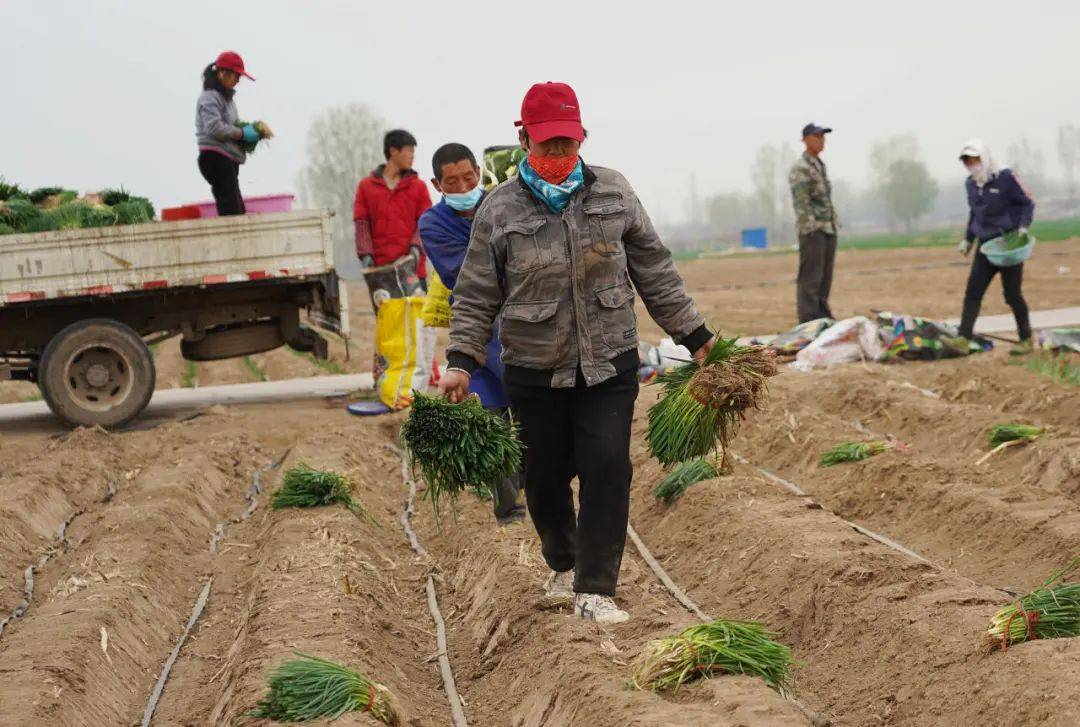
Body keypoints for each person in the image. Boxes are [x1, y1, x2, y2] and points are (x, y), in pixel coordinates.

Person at [440, 82, 713, 625]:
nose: (559, 157)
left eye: (567, 144)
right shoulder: (499, 209)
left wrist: (698, 337)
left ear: (581, 136)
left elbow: (654, 270)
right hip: (533, 369)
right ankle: (563, 562)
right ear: (524, 141)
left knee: (608, 466)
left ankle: (595, 588)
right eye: (548, 146)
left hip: (609, 362)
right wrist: (460, 363)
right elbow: (475, 294)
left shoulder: (614, 192)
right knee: (542, 477)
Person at [419, 143, 526, 525]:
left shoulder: (503, 202)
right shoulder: (433, 224)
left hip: (523, 328)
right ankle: (509, 513)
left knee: (532, 421)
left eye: (469, 177)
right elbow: (459, 274)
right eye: (453, 181)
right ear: (437, 184)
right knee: (493, 423)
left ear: (479, 172)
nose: (464, 184)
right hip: (478, 331)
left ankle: (533, 485)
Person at [956, 140, 1035, 353]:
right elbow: (975, 213)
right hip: (986, 247)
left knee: (1012, 295)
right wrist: (968, 240)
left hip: (1008, 245)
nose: (972, 165)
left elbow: (1027, 203)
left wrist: (1023, 227)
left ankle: (1026, 340)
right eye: (967, 161)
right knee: (973, 292)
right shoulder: (970, 184)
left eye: (975, 159)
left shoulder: (1006, 178)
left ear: (985, 157)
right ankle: (962, 340)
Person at [354, 130, 432, 278]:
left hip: (412, 271)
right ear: (393, 151)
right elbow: (362, 224)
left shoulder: (419, 187)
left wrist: (416, 247)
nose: (412, 157)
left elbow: (425, 223)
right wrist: (365, 254)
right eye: (409, 151)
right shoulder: (366, 187)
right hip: (381, 272)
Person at [195, 51, 263, 216]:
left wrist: (251, 133)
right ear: (222, 73)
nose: (238, 80)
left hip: (228, 159)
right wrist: (242, 134)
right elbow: (214, 128)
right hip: (215, 158)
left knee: (238, 209)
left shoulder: (227, 100)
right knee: (231, 211)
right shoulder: (209, 97)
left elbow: (233, 126)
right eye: (236, 76)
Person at [789, 123, 839, 323]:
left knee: (825, 278)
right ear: (806, 140)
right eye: (817, 137)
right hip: (813, 231)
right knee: (811, 278)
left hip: (827, 228)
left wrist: (832, 223)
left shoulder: (819, 165)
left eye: (823, 137)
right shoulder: (800, 168)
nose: (822, 140)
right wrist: (810, 229)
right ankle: (809, 320)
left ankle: (822, 315)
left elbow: (825, 199)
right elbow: (801, 202)